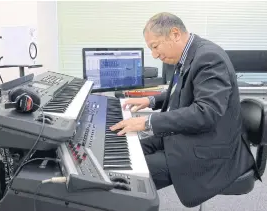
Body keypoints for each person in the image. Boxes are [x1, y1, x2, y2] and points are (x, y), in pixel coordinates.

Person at [110, 12, 258, 207]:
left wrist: (147, 122)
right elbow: (184, 91)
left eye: (155, 47)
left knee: (125, 177)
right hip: (183, 137)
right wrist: (151, 101)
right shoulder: (191, 53)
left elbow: (207, 112)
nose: (154, 55)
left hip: (208, 150)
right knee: (124, 152)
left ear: (174, 34)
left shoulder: (209, 58)